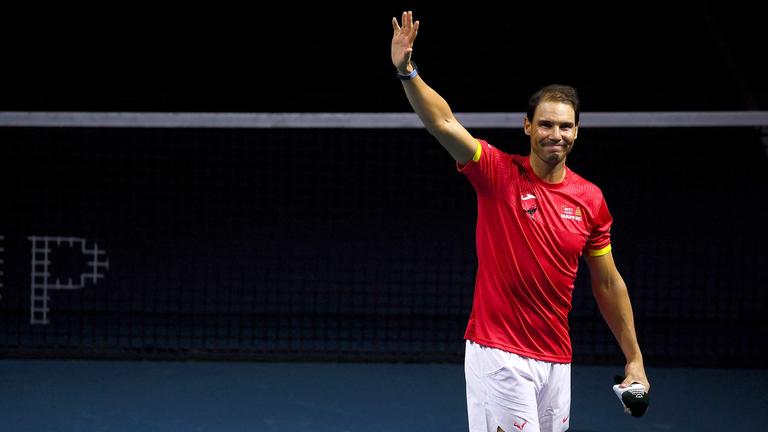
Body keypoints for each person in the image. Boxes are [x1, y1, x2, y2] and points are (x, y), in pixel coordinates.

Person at [391, 11, 650, 432]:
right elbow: (442, 122)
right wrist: (407, 71)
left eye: (566, 126)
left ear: (577, 132)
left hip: (556, 358)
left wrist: (634, 357)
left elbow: (607, 283)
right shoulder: (496, 173)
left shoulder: (591, 200)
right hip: (498, 353)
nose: (556, 134)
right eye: (546, 124)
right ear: (528, 126)